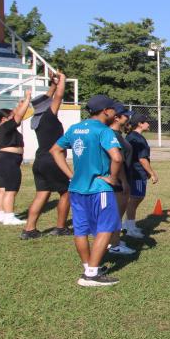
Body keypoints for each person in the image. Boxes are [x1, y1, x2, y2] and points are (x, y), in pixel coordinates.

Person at [49, 94, 123, 287]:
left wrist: (70, 174)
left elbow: (55, 150)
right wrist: (113, 179)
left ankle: (90, 266)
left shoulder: (75, 129)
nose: (115, 113)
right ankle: (91, 274)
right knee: (105, 228)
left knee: (80, 230)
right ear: (106, 111)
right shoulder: (104, 131)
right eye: (113, 109)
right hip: (99, 189)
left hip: (76, 188)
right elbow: (116, 158)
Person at [22, 73, 72, 239]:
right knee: (66, 192)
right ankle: (60, 227)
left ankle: (29, 229)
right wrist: (63, 79)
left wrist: (53, 83)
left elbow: (48, 97)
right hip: (53, 161)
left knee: (42, 193)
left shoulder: (37, 118)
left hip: (40, 160)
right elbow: (58, 96)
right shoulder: (50, 117)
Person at [0, 89, 32, 226]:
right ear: (4, 119)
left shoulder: (1, 127)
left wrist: (20, 104)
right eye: (10, 117)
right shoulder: (5, 126)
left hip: (3, 159)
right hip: (8, 160)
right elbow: (19, 116)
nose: (13, 119)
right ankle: (9, 216)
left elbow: (16, 113)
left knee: (2, 188)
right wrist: (27, 99)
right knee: (11, 189)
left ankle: (1, 215)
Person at [106, 103, 136, 256]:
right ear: (116, 118)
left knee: (116, 213)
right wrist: (123, 181)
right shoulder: (111, 135)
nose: (128, 117)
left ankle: (113, 240)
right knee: (116, 214)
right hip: (118, 182)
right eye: (125, 115)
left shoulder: (117, 134)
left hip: (121, 179)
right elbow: (118, 161)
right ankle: (114, 244)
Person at [123, 114, 158, 238]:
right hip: (137, 173)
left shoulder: (130, 136)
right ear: (140, 124)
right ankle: (130, 228)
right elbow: (142, 159)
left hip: (131, 172)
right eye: (146, 122)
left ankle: (127, 224)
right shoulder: (138, 138)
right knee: (135, 199)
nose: (149, 124)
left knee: (135, 198)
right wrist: (151, 173)